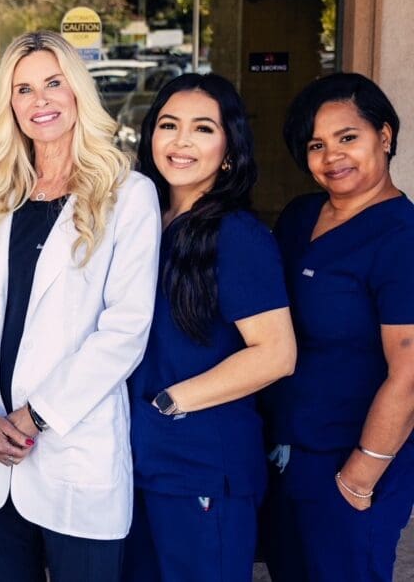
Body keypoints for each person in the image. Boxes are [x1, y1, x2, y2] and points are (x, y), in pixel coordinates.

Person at [0, 30, 161, 582]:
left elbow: (124, 332)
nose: (40, 101)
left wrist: (34, 417)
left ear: (78, 91)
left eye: (53, 83)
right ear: (9, 106)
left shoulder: (127, 194)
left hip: (71, 448)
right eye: (23, 89)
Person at [122, 73, 296, 582]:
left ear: (228, 149)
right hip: (138, 464)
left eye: (202, 129)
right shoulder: (143, 221)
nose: (180, 142)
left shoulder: (236, 235)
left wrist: (168, 404)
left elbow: (276, 353)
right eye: (168, 125)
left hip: (200, 464)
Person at [260, 73, 414, 582]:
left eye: (348, 138)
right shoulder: (302, 216)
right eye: (316, 145)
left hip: (353, 459)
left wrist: (361, 473)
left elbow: (410, 373)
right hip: (288, 455)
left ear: (385, 136)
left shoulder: (400, 238)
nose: (333, 157)